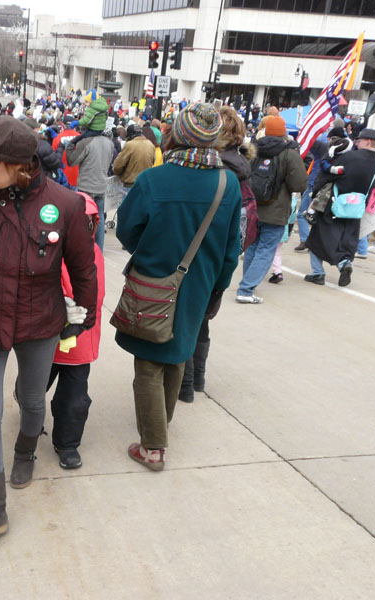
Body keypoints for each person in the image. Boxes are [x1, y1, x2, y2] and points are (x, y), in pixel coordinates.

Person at [0, 116, 97, 543]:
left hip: (40, 322)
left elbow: (82, 268)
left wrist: (84, 313)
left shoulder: (65, 205)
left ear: (17, 163)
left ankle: (25, 452)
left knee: (32, 399)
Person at [115, 103, 242, 470]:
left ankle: (153, 446)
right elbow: (232, 247)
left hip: (154, 279)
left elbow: (127, 229)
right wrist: (218, 286)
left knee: (149, 362)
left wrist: (148, 250)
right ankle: (161, 425)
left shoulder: (155, 179)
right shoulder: (227, 182)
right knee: (178, 352)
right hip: (200, 283)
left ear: (179, 134)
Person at [179, 105, 255, 404]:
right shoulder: (242, 167)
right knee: (202, 319)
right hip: (219, 256)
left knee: (184, 319)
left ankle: (185, 385)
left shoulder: (215, 169)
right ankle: (197, 378)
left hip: (195, 252)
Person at [43, 192, 105, 469]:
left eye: (88, 223)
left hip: (79, 340)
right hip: (44, 339)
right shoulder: (44, 251)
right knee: (34, 388)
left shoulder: (94, 254)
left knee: (74, 398)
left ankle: (67, 443)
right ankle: (24, 398)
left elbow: (95, 297)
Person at [235, 115, 307, 304]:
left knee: (252, 246)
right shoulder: (290, 153)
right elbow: (299, 184)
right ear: (284, 132)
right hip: (276, 210)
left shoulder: (252, 147)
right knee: (266, 250)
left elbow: (240, 169)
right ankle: (246, 289)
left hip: (252, 207)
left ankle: (247, 284)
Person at [304, 129, 375, 287]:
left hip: (335, 204)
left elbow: (328, 175)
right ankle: (344, 263)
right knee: (346, 240)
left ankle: (318, 273)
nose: (356, 143)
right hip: (356, 207)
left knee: (318, 237)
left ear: (367, 141)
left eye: (359, 141)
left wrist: (315, 193)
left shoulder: (349, 157)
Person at [66, 113, 115, 251]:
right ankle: (99, 249)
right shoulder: (109, 143)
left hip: (86, 186)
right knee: (99, 219)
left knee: (83, 218)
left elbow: (71, 161)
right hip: (101, 185)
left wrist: (70, 146)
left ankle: (82, 248)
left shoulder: (84, 142)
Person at [113, 124, 155, 188]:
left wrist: (119, 173)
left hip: (131, 185)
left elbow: (117, 166)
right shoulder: (150, 144)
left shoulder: (129, 145)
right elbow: (153, 161)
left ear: (130, 135)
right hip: (146, 183)